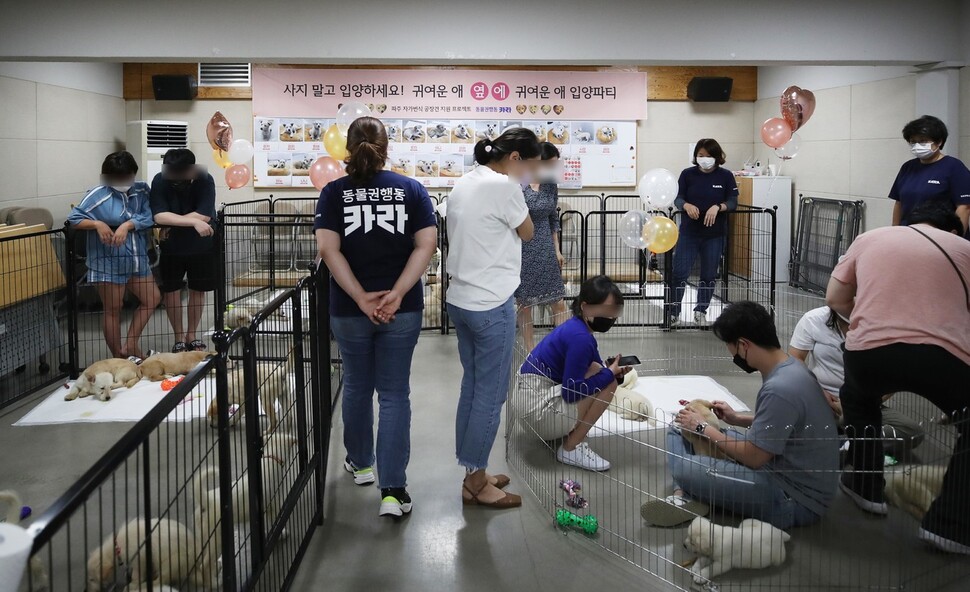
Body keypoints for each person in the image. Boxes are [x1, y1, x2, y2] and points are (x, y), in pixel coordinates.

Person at [827, 201, 970, 554]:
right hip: (945, 356)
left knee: (859, 401)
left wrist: (869, 319)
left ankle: (865, 488)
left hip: (870, 353)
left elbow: (835, 297)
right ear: (952, 229)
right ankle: (949, 527)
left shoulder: (869, 238)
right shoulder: (964, 248)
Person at [315, 116, 437, 518]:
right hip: (401, 310)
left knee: (355, 385)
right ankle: (393, 490)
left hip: (350, 310)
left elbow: (329, 251)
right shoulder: (411, 190)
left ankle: (361, 463)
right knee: (394, 393)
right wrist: (398, 293)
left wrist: (362, 299)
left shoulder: (334, 193)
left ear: (348, 149)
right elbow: (426, 246)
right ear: (387, 148)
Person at [657, 301, 839, 529]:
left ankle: (686, 490)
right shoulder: (792, 367)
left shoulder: (780, 388)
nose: (734, 356)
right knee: (679, 428)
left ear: (744, 345)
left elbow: (754, 457)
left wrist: (704, 428)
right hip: (782, 465)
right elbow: (788, 424)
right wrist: (737, 419)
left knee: (685, 467)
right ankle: (690, 490)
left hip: (792, 497)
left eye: (732, 350)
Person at [446, 128, 540, 509]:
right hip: (491, 303)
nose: (530, 174)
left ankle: (474, 472)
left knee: (472, 387)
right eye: (530, 165)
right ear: (515, 157)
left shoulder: (464, 183)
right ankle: (476, 481)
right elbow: (529, 231)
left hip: (461, 300)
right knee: (492, 393)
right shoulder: (504, 187)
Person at [518, 276, 631, 471]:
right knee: (608, 382)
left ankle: (567, 434)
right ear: (586, 308)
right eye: (606, 311)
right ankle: (571, 448)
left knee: (600, 371)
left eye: (614, 313)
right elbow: (571, 392)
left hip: (526, 403)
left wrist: (614, 372)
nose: (611, 318)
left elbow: (594, 370)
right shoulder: (580, 339)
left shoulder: (575, 328)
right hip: (535, 415)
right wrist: (611, 376)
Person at [788, 306, 925, 458]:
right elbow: (795, 358)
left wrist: (866, 402)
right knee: (794, 423)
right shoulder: (813, 319)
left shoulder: (882, 324)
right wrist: (817, 390)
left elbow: (894, 375)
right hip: (822, 400)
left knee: (912, 432)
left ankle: (844, 444)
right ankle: (854, 444)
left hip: (864, 403)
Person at [68, 151, 160, 359]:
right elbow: (74, 218)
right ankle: (119, 358)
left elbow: (148, 217)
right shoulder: (98, 194)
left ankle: (130, 345)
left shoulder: (141, 190)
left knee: (152, 298)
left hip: (136, 258)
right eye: (116, 178)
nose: (122, 182)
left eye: (126, 177)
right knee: (113, 309)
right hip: (107, 260)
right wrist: (97, 223)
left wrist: (127, 225)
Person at [149, 149, 217, 353]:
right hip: (172, 246)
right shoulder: (160, 180)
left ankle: (192, 335)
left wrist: (179, 220)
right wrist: (193, 222)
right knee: (171, 292)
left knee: (198, 291)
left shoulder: (205, 179)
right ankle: (179, 337)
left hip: (201, 245)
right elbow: (159, 216)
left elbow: (204, 215)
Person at [669, 138, 738, 327]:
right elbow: (678, 198)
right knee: (679, 274)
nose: (705, 159)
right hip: (689, 233)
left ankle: (701, 311)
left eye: (709, 156)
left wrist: (719, 207)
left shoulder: (725, 176)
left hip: (714, 235)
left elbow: (733, 201)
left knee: (708, 275)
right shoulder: (687, 174)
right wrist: (686, 205)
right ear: (695, 157)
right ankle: (673, 313)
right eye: (701, 156)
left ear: (717, 157)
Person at [516, 142, 567, 350]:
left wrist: (557, 249)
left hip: (545, 244)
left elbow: (553, 217)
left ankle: (563, 347)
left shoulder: (550, 183)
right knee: (525, 303)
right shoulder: (520, 181)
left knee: (558, 300)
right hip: (521, 245)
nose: (553, 168)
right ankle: (530, 350)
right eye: (550, 163)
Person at [889, 115, 970, 233]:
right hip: (910, 234)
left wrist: (955, 240)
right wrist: (895, 231)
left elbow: (964, 207)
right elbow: (899, 202)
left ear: (939, 142)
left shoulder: (954, 167)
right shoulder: (907, 167)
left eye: (923, 141)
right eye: (913, 142)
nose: (917, 145)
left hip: (941, 235)